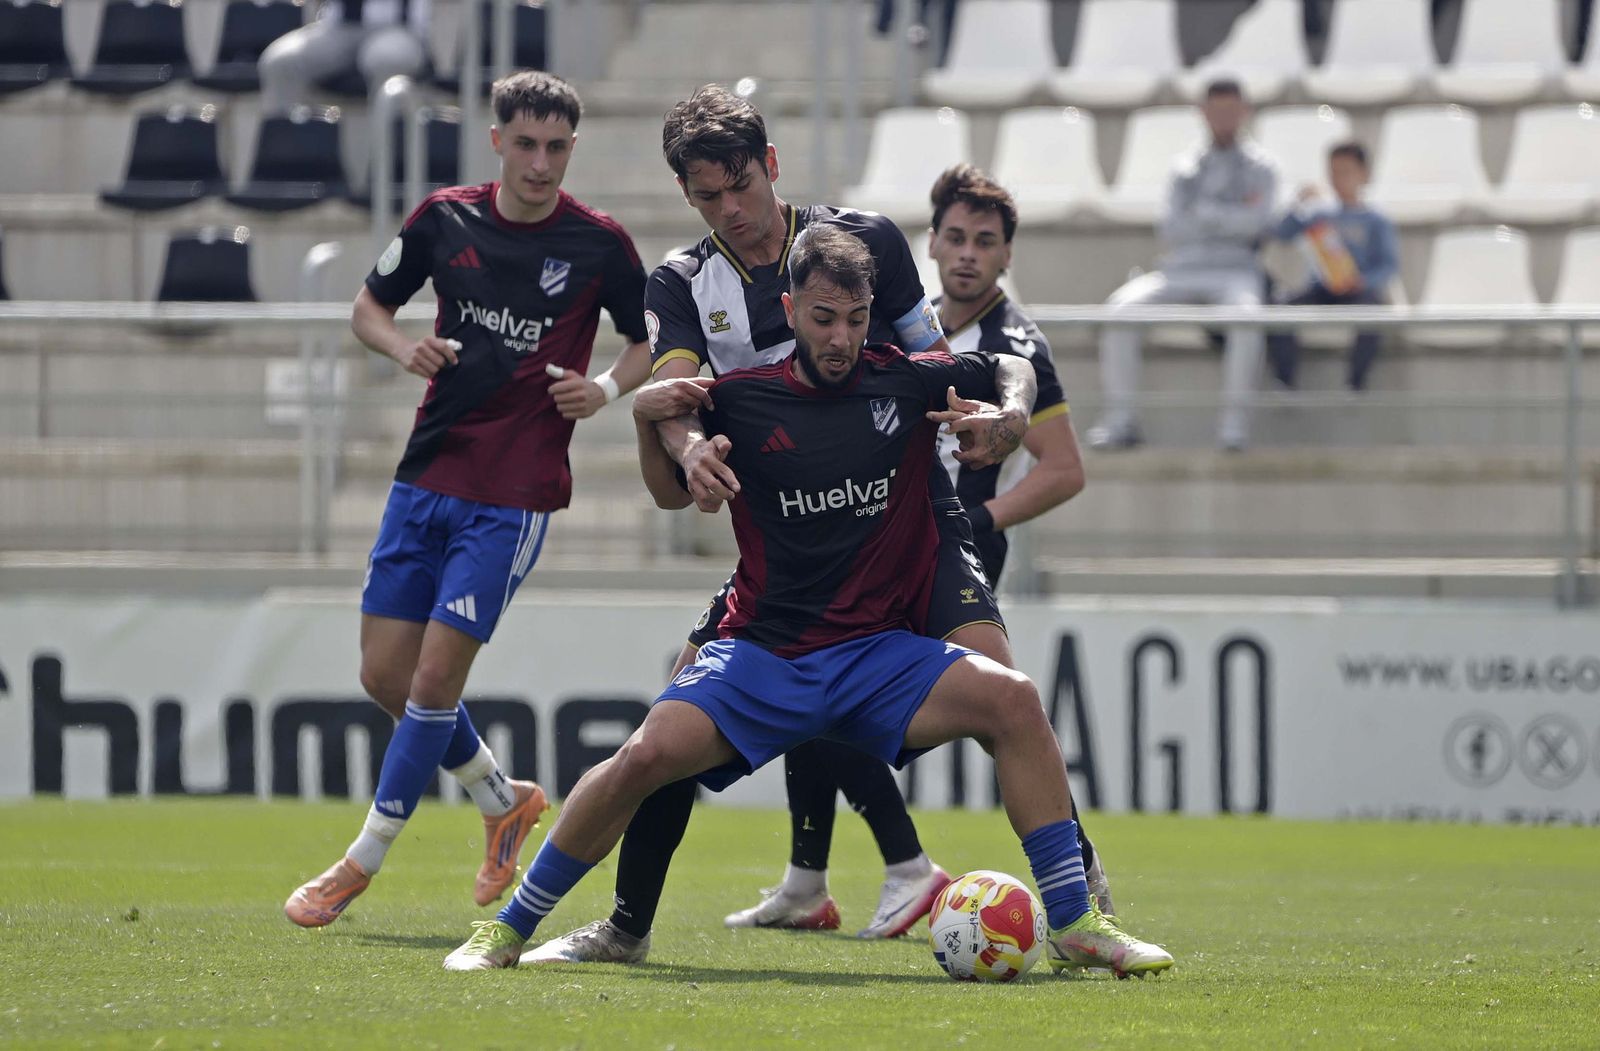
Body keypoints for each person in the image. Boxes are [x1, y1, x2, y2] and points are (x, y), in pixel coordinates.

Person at [442, 225, 1174, 978]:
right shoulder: (741, 401)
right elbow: (668, 481)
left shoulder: (905, 380)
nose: (841, 337)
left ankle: (1078, 920)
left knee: (1015, 699)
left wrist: (1012, 416)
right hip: (764, 655)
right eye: (824, 318)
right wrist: (654, 428)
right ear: (790, 309)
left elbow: (1012, 365)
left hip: (875, 658)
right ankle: (509, 927)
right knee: (644, 757)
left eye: (855, 319)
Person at [522, 85, 1114, 967]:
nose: (732, 212)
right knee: (671, 725)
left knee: (1004, 692)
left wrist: (996, 416)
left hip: (911, 517)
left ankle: (1081, 899)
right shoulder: (682, 282)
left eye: (741, 189)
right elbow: (675, 398)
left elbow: (936, 362)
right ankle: (627, 927)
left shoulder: (861, 241)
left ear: (771, 166)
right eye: (707, 197)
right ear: (687, 195)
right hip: (790, 546)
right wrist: (686, 452)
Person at [283, 71, 655, 927]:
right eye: (526, 144)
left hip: (513, 492)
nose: (541, 163)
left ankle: (359, 861)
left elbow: (647, 342)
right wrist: (401, 347)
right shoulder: (444, 217)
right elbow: (368, 307)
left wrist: (602, 389)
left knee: (434, 678)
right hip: (427, 473)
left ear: (572, 147)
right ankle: (504, 799)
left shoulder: (599, 243)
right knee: (384, 675)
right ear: (497, 142)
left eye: (557, 147)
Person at [1088, 77, 1278, 453]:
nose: (1224, 118)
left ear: (1245, 112)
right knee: (1119, 311)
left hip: (1235, 270)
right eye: (1216, 109)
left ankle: (1234, 426)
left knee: (1247, 317)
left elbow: (1260, 224)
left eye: (1231, 109)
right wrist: (1231, 218)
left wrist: (1206, 214)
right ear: (1203, 113)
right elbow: (1173, 228)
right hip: (1181, 268)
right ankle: (1121, 420)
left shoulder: (1264, 168)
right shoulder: (1183, 167)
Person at [925, 163, 1085, 582]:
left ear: (1007, 255)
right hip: (890, 543)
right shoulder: (908, 325)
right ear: (932, 243)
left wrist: (973, 520)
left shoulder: (1016, 348)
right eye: (956, 238)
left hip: (961, 557)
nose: (967, 254)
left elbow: (1064, 468)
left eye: (985, 242)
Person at [1266, 141, 1399, 392]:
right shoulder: (1319, 213)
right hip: (1322, 288)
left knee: (1374, 314)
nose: (1339, 179)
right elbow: (1282, 234)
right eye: (1334, 172)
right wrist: (1298, 203)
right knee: (1280, 306)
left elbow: (1388, 265)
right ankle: (1284, 381)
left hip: (1358, 290)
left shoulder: (1376, 219)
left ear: (1364, 174)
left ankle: (1356, 383)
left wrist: (1363, 281)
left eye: (1346, 172)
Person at [259, 0, 430, 115]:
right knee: (279, 63)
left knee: (387, 60)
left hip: (398, 28)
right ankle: (289, 159)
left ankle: (388, 162)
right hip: (337, 26)